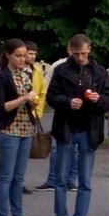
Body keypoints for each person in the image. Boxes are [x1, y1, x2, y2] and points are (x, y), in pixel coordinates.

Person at [45, 34, 109, 216]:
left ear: (89, 49)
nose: (80, 57)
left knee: (85, 180)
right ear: (70, 50)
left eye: (83, 53)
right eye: (76, 54)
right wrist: (68, 102)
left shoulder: (99, 72)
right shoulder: (61, 70)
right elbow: (51, 97)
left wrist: (98, 99)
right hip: (66, 128)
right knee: (61, 178)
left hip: (89, 130)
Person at [0, 39, 40, 216]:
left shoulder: (26, 74)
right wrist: (23, 98)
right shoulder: (2, 76)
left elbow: (30, 101)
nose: (22, 59)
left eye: (24, 56)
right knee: (5, 178)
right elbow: (2, 107)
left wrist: (33, 102)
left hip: (26, 130)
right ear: (8, 55)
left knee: (19, 178)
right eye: (18, 56)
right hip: (9, 131)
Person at [34, 49, 79, 193]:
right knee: (55, 148)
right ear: (69, 50)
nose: (78, 55)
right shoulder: (59, 66)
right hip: (62, 113)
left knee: (75, 149)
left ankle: (71, 181)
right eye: (74, 51)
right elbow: (48, 89)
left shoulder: (88, 67)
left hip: (79, 115)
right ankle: (52, 180)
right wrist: (62, 101)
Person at [23, 40, 47, 194]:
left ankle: (19, 181)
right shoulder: (15, 69)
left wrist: (38, 111)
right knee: (11, 153)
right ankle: (5, 181)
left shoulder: (37, 71)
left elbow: (42, 92)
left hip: (32, 114)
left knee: (24, 151)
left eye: (34, 54)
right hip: (16, 114)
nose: (32, 56)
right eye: (30, 53)